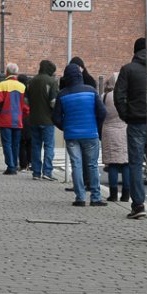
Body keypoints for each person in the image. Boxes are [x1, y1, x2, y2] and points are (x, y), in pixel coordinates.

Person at [114, 38, 147, 219]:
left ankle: (138, 206)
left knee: (135, 164)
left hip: (136, 122)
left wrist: (126, 115)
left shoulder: (128, 69)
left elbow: (119, 96)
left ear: (135, 52)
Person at [53, 62, 107, 206]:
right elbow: (102, 112)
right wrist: (95, 124)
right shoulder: (91, 91)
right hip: (90, 133)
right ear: (79, 75)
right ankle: (95, 197)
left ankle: (80, 197)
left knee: (76, 164)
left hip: (71, 135)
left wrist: (65, 127)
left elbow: (56, 118)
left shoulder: (62, 94)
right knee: (92, 165)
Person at [0, 63, 29, 175]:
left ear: (7, 73)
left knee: (7, 143)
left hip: (5, 120)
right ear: (16, 73)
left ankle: (10, 166)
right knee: (16, 144)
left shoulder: (2, 85)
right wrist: (22, 116)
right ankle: (14, 165)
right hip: (18, 120)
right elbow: (26, 106)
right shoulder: (22, 87)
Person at [27, 60, 59, 181]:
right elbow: (53, 103)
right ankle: (47, 171)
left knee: (36, 146)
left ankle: (36, 172)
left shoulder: (31, 82)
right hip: (48, 120)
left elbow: (25, 101)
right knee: (49, 146)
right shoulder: (52, 82)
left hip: (33, 119)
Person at [101, 74, 130, 202]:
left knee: (112, 163)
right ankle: (126, 194)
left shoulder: (105, 96)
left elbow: (100, 113)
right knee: (126, 163)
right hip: (125, 130)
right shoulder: (127, 95)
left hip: (109, 131)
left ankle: (113, 194)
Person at [17, 74, 32, 171]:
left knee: (21, 143)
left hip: (20, 119)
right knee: (30, 142)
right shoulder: (29, 92)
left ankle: (23, 164)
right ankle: (30, 163)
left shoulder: (18, 92)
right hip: (30, 119)